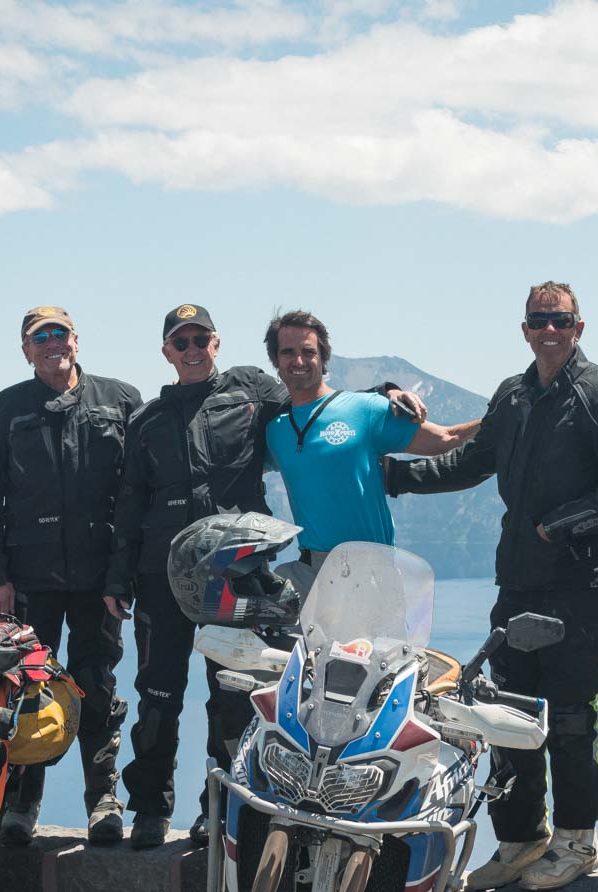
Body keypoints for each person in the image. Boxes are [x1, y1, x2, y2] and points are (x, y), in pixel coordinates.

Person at [103, 304, 427, 850]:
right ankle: (151, 811)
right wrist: (117, 579)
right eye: (180, 342)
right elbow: (129, 505)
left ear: (216, 343)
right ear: (166, 352)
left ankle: (224, 808)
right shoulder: (148, 421)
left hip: (237, 573)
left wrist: (386, 391)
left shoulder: (252, 393)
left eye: (200, 339)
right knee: (158, 696)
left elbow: (318, 400)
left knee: (233, 696)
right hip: (161, 576)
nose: (191, 350)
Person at [386, 282, 598, 892]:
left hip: (582, 582)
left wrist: (564, 525)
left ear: (579, 326)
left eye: (560, 320)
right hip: (518, 579)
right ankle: (522, 839)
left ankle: (578, 840)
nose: (549, 330)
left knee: (573, 713)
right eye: (538, 321)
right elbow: (469, 463)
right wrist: (392, 476)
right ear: (524, 329)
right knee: (504, 712)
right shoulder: (514, 395)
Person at [0, 305, 141, 846]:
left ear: (76, 339)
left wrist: (123, 576)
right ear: (26, 350)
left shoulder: (121, 400)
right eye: (38, 337)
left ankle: (103, 802)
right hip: (27, 579)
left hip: (98, 580)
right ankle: (21, 804)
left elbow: (137, 495)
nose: (50, 343)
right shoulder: (2, 408)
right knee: (24, 688)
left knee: (96, 685)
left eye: (58, 333)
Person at [262, 309, 479, 583]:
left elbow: (446, 439)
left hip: (372, 571)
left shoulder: (365, 409)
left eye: (308, 351)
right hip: (312, 572)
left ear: (323, 357)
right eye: (288, 352)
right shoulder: (275, 430)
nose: (299, 360)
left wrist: (501, 416)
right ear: (276, 361)